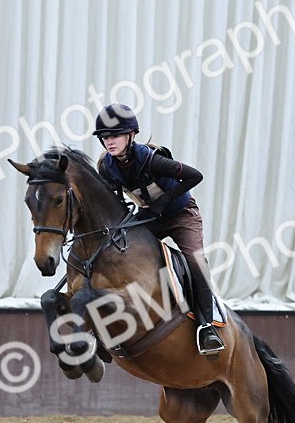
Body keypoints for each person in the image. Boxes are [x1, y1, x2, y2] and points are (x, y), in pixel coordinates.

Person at [92, 103, 225, 356]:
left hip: (181, 215)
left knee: (195, 262)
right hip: (150, 216)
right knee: (113, 251)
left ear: (131, 135)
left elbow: (195, 176)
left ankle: (208, 327)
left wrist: (164, 201)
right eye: (105, 137)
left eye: (115, 135)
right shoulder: (107, 166)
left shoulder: (152, 160)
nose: (110, 141)